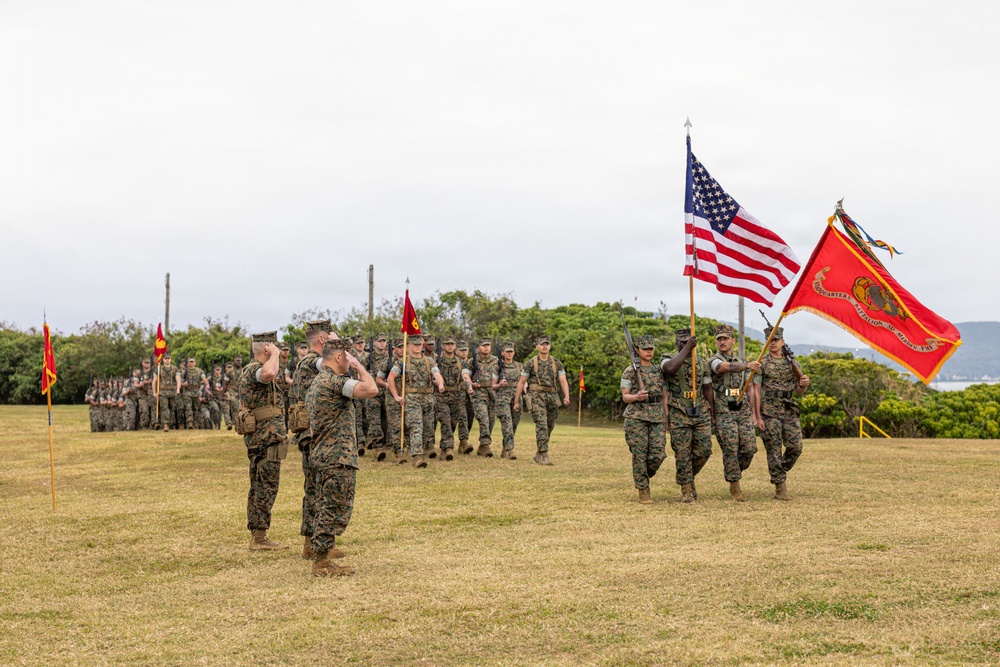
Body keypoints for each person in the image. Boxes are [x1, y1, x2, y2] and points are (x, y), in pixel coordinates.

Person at [305, 337, 378, 577]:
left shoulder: (316, 383)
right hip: (337, 456)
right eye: (347, 356)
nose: (349, 360)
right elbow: (371, 389)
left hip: (323, 453)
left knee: (325, 505)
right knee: (333, 507)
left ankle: (321, 554)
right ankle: (322, 562)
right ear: (338, 357)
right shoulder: (335, 382)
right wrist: (359, 367)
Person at [239, 331, 289, 551]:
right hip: (264, 436)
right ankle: (259, 537)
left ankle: (258, 534)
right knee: (266, 485)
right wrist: (275, 355)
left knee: (260, 484)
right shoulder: (255, 370)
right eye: (274, 346)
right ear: (267, 349)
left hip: (265, 435)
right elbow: (268, 374)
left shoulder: (252, 369)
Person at [288, 320, 332, 558]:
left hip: (317, 433)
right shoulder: (310, 362)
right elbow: (330, 363)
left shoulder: (310, 363)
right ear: (323, 339)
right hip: (313, 434)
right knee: (316, 489)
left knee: (318, 488)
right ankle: (312, 544)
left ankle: (315, 542)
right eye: (332, 336)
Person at [753, 325, 810, 501]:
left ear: (782, 342)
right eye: (769, 341)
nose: (772, 343)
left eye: (775, 340)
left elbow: (798, 391)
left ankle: (779, 469)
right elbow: (756, 390)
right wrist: (757, 416)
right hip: (769, 410)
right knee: (773, 449)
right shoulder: (762, 363)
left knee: (796, 447)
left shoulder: (792, 362)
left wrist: (804, 384)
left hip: (788, 409)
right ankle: (780, 486)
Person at [661, 328, 714, 503]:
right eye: (682, 343)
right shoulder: (668, 358)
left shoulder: (701, 363)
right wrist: (687, 348)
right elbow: (669, 369)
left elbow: (707, 388)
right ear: (677, 343)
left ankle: (689, 477)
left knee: (704, 450)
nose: (686, 345)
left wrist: (712, 413)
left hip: (700, 410)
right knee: (682, 452)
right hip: (678, 410)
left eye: (689, 342)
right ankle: (686, 489)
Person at [709, 324, 760, 502]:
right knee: (730, 446)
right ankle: (734, 485)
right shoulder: (714, 360)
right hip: (724, 409)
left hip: (743, 410)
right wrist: (747, 365)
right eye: (719, 339)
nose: (722, 342)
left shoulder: (741, 361)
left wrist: (753, 412)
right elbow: (723, 367)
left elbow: (750, 389)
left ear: (732, 340)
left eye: (725, 338)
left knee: (749, 448)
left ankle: (735, 470)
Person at [620, 334, 667, 504]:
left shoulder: (658, 371)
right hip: (636, 417)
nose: (649, 352)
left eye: (651, 349)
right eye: (645, 349)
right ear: (637, 350)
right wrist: (636, 397)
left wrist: (666, 417)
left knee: (658, 454)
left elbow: (664, 396)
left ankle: (645, 476)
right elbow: (625, 397)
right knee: (640, 454)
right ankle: (643, 490)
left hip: (657, 416)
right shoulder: (630, 370)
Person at [386, 335, 445, 468]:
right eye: (415, 344)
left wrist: (440, 384)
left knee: (428, 429)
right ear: (409, 346)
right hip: (412, 399)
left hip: (428, 399)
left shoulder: (429, 361)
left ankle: (419, 449)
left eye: (420, 345)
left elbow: (437, 374)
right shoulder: (403, 362)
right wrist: (396, 396)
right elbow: (390, 378)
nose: (418, 347)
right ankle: (417, 457)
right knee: (416, 426)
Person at [514, 335, 570, 465]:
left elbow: (563, 381)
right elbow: (521, 382)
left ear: (550, 346)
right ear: (537, 347)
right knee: (542, 424)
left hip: (552, 397)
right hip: (536, 396)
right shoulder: (530, 363)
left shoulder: (557, 363)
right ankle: (544, 454)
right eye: (542, 344)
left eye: (547, 344)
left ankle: (539, 452)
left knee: (550, 425)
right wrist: (517, 401)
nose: (545, 346)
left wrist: (566, 396)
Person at [463, 338, 499, 457]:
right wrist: (470, 385)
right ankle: (486, 445)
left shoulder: (496, 360)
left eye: (488, 345)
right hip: (478, 395)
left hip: (492, 395)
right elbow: (466, 375)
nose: (486, 347)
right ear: (478, 348)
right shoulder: (472, 361)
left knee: (491, 422)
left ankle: (482, 446)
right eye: (483, 345)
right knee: (483, 419)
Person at [435, 335, 468, 460]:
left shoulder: (461, 362)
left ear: (455, 346)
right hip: (441, 396)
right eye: (447, 344)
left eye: (452, 344)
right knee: (445, 421)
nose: (449, 346)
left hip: (456, 397)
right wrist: (437, 383)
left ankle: (444, 447)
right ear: (443, 346)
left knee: (453, 422)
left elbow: (465, 375)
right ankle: (449, 448)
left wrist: (469, 385)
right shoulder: (437, 361)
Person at [493, 341, 523, 459]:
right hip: (502, 398)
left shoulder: (519, 366)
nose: (509, 354)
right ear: (502, 353)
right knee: (507, 423)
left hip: (516, 397)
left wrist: (526, 390)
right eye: (507, 352)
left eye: (511, 351)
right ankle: (510, 450)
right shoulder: (497, 367)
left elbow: (523, 381)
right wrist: (500, 384)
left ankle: (505, 448)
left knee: (514, 424)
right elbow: (493, 386)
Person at [364, 333, 390, 458]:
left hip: (387, 392)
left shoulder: (390, 357)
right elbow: (361, 372)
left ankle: (387, 443)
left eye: (384, 341)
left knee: (386, 419)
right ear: (374, 343)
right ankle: (378, 446)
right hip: (373, 392)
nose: (382, 343)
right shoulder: (369, 358)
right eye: (379, 341)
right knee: (374, 420)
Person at [455, 340, 474, 453]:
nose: (463, 352)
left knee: (469, 418)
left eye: (465, 350)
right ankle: (464, 441)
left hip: (470, 395)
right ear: (457, 351)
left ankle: (463, 443)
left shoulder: (472, 362)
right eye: (461, 350)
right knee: (462, 418)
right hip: (458, 394)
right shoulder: (454, 362)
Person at [179, 357, 208, 429]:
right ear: (188, 363)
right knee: (188, 407)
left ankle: (196, 423)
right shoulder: (184, 372)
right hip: (187, 392)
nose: (191, 363)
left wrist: (207, 385)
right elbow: (180, 382)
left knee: (196, 408)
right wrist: (183, 384)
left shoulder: (199, 371)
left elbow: (204, 378)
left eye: (193, 362)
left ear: (195, 363)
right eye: (190, 362)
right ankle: (190, 423)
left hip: (196, 392)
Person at [156, 354, 179, 431]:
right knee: (164, 408)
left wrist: (178, 389)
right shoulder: (159, 368)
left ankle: (172, 424)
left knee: (172, 408)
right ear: (163, 360)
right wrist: (154, 392)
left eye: (168, 358)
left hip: (172, 392)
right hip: (163, 392)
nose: (167, 360)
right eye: (165, 358)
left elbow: (178, 379)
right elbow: (155, 380)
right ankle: (165, 425)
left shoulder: (175, 369)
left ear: (171, 359)